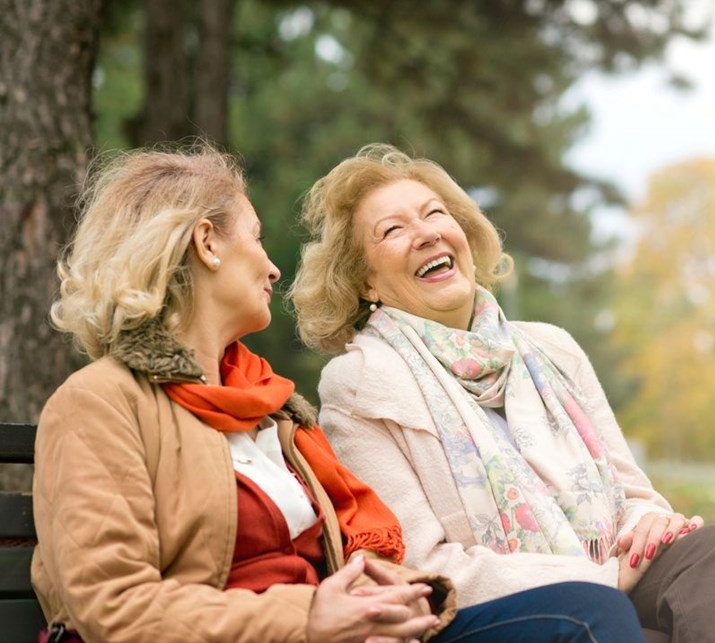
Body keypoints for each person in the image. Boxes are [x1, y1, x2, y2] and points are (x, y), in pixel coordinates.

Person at [31, 144, 645, 643]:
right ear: (207, 243)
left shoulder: (271, 411)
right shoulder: (99, 405)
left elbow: (363, 551)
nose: (274, 268)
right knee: (591, 615)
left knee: (600, 607)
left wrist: (387, 603)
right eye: (257, 236)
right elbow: (112, 608)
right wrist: (309, 617)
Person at [290, 143, 715, 642]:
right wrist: (601, 579)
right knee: (600, 611)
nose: (426, 233)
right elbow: (421, 563)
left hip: (616, 571)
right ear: (367, 284)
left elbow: (633, 494)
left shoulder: (553, 348)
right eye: (393, 230)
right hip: (508, 608)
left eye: (434, 214)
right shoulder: (361, 382)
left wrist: (648, 526)